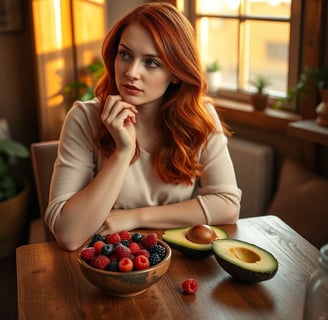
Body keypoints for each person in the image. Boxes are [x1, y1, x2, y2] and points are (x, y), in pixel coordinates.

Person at [45, 2, 242, 251]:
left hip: (174, 257)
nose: (130, 72)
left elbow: (227, 206)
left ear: (176, 73)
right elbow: (69, 234)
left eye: (151, 62)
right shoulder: (84, 118)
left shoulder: (200, 119)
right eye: (125, 54)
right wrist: (123, 152)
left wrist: (136, 217)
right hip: (103, 263)